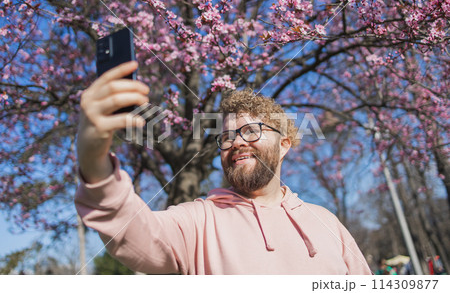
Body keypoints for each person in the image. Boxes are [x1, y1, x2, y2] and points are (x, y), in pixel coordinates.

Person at [75, 61, 372, 275]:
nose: (238, 142)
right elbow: (136, 234)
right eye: (228, 136)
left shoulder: (326, 223)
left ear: (284, 145)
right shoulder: (198, 221)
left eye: (252, 130)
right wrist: (93, 161)